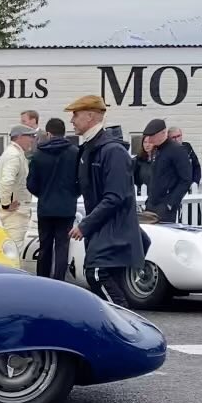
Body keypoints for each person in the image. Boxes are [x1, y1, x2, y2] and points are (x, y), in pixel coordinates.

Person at [68, 95, 145, 304]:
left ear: (90, 116)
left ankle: (126, 328)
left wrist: (86, 225)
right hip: (104, 229)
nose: (72, 120)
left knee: (96, 274)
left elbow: (116, 196)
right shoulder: (88, 149)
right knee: (105, 281)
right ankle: (123, 328)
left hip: (115, 229)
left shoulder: (113, 151)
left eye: (76, 115)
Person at [26, 116, 79, 280]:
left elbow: (31, 184)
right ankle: (59, 280)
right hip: (67, 207)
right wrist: (73, 194)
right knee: (62, 246)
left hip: (46, 207)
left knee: (45, 246)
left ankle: (43, 280)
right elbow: (82, 181)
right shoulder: (75, 153)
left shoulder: (39, 154)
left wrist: (42, 194)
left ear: (48, 133)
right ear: (64, 133)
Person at [141, 118, 193, 223]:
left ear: (163, 133)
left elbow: (186, 179)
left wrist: (170, 203)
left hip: (165, 206)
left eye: (152, 136)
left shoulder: (177, 150)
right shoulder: (156, 150)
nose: (149, 140)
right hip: (152, 204)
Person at [0, 125, 34, 260]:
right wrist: (6, 204)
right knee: (13, 252)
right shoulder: (14, 155)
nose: (32, 139)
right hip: (15, 212)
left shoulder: (13, 153)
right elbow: (7, 181)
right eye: (30, 136)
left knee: (10, 250)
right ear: (19, 137)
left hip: (16, 211)